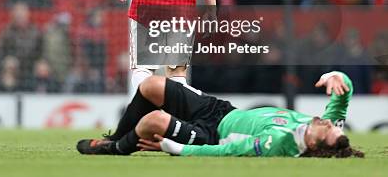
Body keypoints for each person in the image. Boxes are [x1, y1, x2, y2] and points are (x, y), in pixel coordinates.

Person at [77, 71, 364, 158]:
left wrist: (177, 148)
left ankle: (115, 149)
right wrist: (337, 77)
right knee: (151, 85)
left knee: (151, 122)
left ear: (315, 144)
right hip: (222, 111)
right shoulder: (322, 128)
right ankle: (115, 136)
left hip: (210, 136)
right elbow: (340, 101)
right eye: (332, 125)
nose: (326, 122)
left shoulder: (280, 144)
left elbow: (228, 151)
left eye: (327, 130)